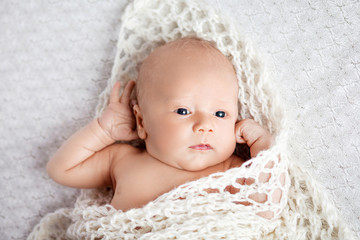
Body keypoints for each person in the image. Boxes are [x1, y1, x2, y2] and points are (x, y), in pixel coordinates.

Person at [47, 37, 278, 218]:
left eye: (220, 114)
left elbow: (265, 210)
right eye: (183, 111)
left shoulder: (231, 171)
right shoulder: (123, 160)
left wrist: (263, 148)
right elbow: (61, 169)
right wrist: (103, 131)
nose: (205, 126)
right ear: (141, 121)